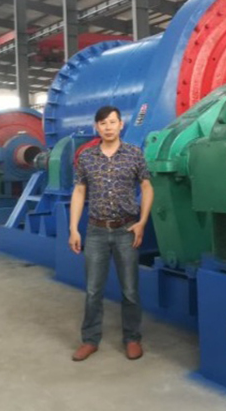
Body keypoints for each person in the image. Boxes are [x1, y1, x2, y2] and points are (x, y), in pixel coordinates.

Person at [68, 105, 154, 362]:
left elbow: (147, 187)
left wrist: (142, 222)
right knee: (93, 290)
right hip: (95, 231)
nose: (108, 127)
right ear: (97, 127)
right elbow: (79, 191)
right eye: (103, 123)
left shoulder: (134, 154)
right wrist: (73, 228)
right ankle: (90, 340)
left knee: (130, 290)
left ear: (121, 125)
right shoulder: (87, 157)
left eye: (112, 122)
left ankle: (132, 338)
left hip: (126, 230)